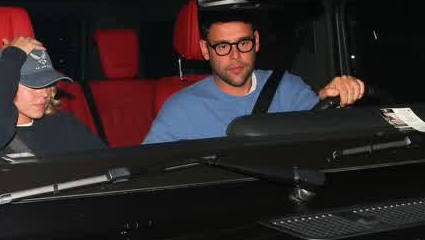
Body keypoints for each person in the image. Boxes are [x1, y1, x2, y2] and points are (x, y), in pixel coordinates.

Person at [143, 13, 365, 144]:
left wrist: (334, 99)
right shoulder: (180, 109)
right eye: (222, 46)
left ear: (256, 41)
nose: (235, 56)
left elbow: (325, 137)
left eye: (243, 43)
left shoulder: (288, 88)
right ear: (204, 49)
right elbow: (148, 172)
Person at [0, 36, 107, 159]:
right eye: (33, 84)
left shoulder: (64, 123)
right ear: (8, 84)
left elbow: (105, 162)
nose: (45, 94)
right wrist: (13, 56)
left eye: (48, 84)